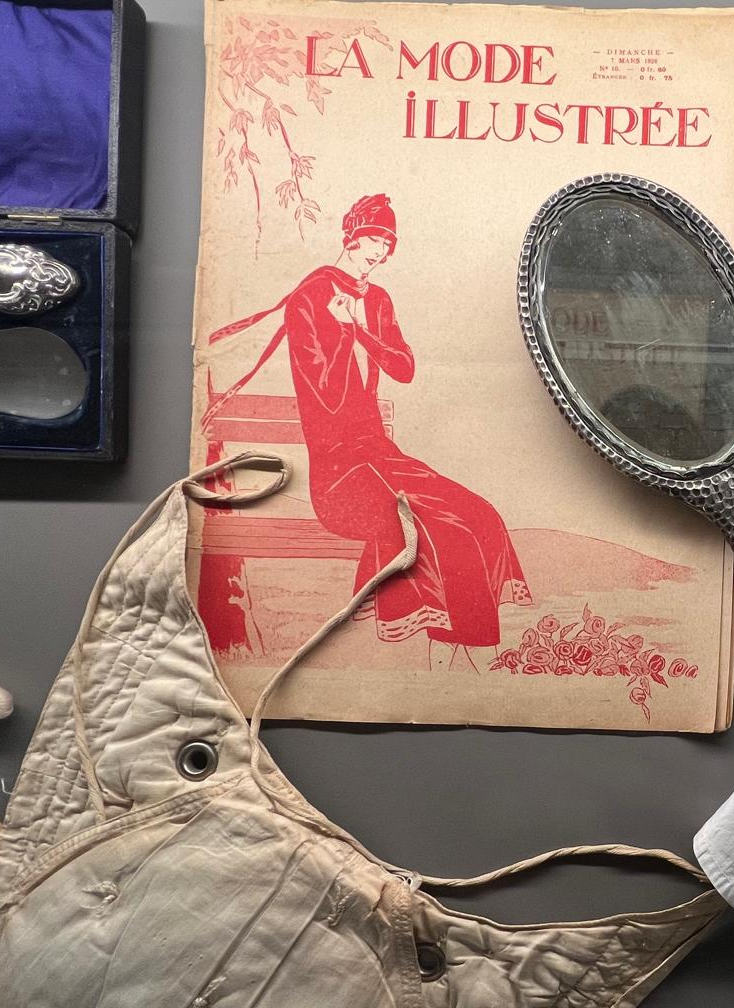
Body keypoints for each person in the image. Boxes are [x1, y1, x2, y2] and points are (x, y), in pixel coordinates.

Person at [210, 194, 531, 671]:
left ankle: (455, 644)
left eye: (387, 243)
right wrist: (342, 332)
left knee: (477, 513)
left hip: (380, 452)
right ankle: (460, 647)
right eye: (372, 240)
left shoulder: (377, 300)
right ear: (350, 236)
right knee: (437, 525)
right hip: (338, 468)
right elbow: (323, 395)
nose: (379, 252)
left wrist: (359, 328)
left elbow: (404, 368)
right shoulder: (309, 298)